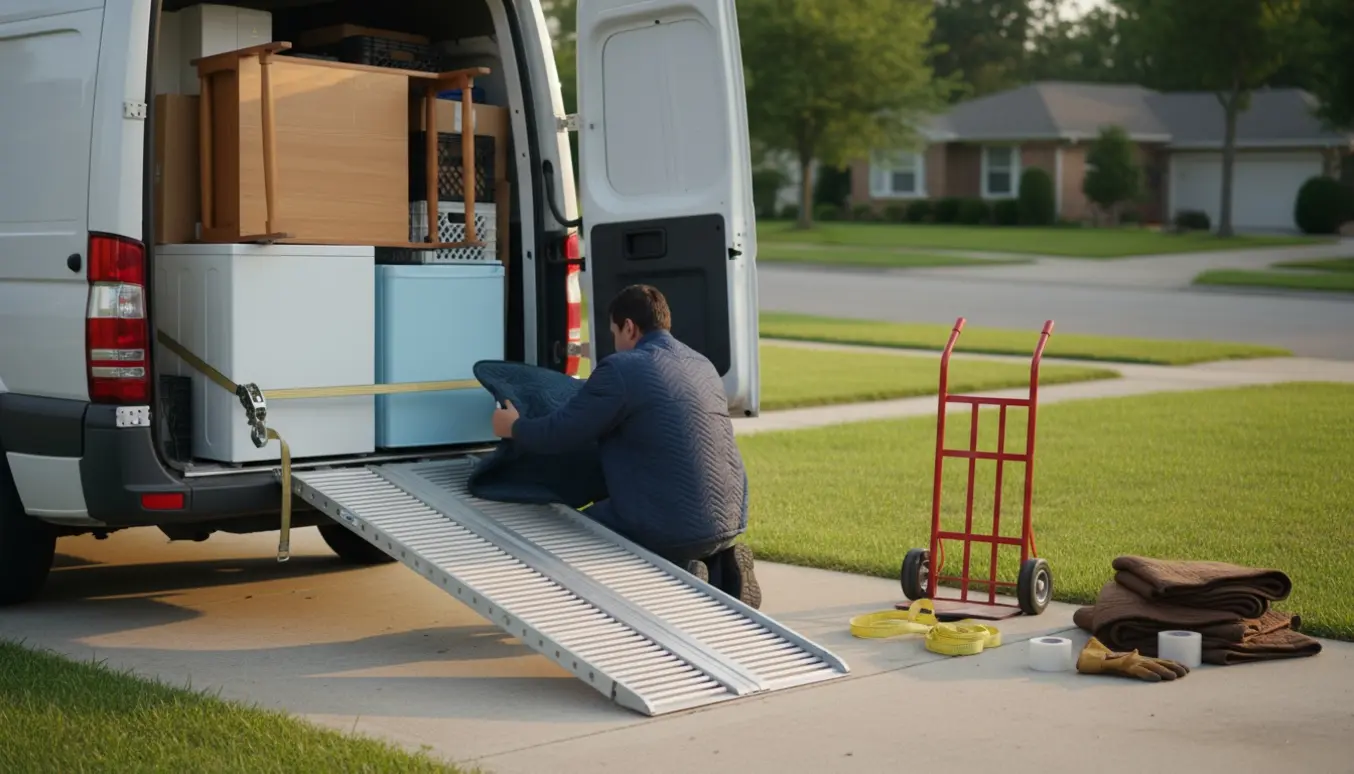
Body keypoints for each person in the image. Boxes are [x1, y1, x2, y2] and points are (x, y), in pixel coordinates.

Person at [490, 284, 760, 608]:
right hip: (729, 519)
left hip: (672, 525)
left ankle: (679, 573)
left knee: (564, 531)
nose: (615, 343)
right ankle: (721, 564)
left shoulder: (621, 369)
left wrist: (514, 427)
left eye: (614, 332)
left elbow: (560, 433)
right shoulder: (702, 364)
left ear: (629, 327)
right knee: (662, 504)